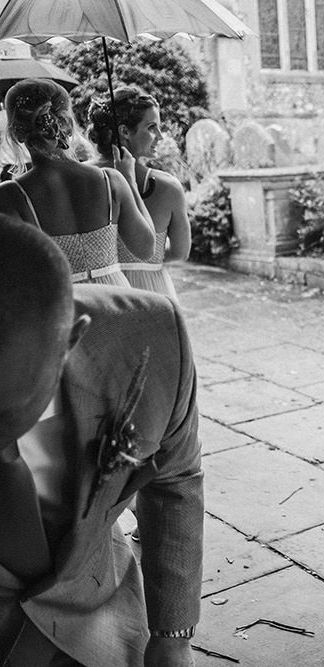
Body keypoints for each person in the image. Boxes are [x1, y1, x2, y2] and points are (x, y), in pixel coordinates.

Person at [0, 217, 203, 666]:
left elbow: (175, 479)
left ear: (69, 341)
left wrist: (173, 634)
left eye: (7, 413)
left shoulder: (150, 341)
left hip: (103, 620)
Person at [0, 79, 155, 286]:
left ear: (17, 133)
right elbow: (145, 249)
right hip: (116, 301)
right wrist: (130, 181)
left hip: (63, 307)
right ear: (69, 124)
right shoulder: (111, 180)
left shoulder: (10, 196)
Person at [88, 87, 190, 299]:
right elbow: (180, 253)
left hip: (101, 290)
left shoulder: (84, 178)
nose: (160, 137)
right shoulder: (168, 187)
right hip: (151, 291)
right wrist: (145, 264)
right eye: (152, 127)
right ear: (124, 131)